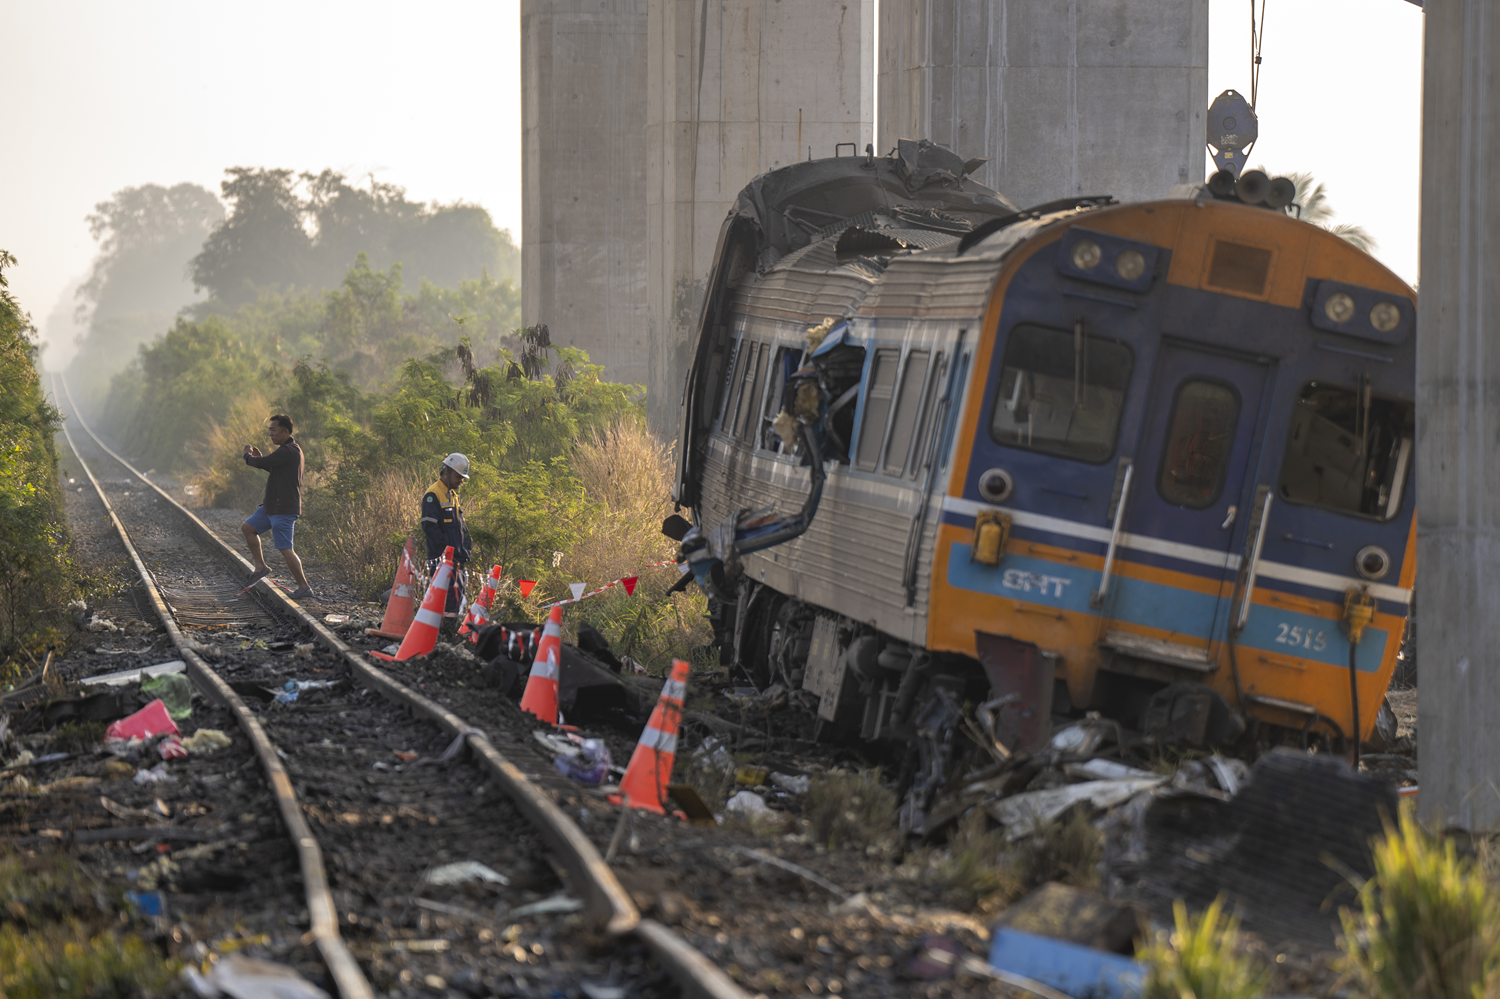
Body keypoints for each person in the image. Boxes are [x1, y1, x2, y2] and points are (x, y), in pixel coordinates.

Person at [241, 414, 313, 599]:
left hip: (283, 508)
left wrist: (248, 456)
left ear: (285, 431)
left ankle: (304, 587)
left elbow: (264, 463)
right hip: (272, 506)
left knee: (285, 548)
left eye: (274, 430)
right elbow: (273, 467)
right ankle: (260, 567)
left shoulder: (289, 450)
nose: (271, 434)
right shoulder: (287, 451)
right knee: (248, 528)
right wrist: (261, 460)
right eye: (270, 430)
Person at [421, 452, 473, 619]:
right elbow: (429, 527)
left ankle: (446, 628)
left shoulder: (452, 495)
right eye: (458, 477)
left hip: (455, 559)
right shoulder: (433, 494)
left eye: (462, 478)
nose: (461, 481)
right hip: (442, 560)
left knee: (456, 597)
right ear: (446, 471)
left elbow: (460, 527)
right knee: (446, 598)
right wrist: (447, 551)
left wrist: (465, 548)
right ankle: (442, 630)